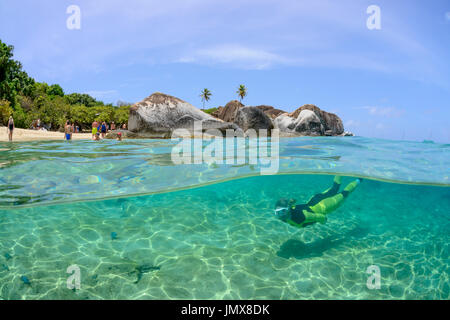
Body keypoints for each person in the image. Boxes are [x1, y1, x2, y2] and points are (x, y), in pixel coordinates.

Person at [274, 176, 361, 228]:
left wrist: (324, 222)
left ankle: (359, 179)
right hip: (314, 200)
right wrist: (290, 202)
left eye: (283, 211)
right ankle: (341, 169)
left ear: (288, 209)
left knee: (345, 193)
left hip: (326, 206)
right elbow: (292, 203)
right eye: (278, 213)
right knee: (335, 188)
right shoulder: (286, 215)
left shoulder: (303, 216)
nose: (281, 216)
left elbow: (322, 217)